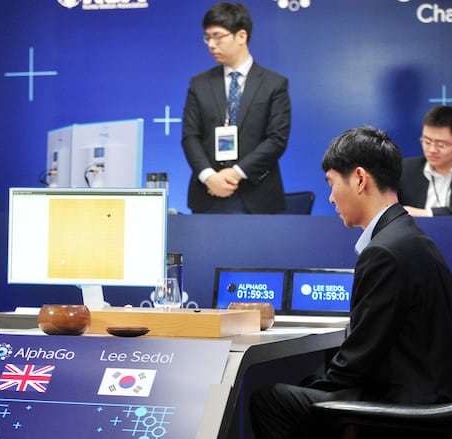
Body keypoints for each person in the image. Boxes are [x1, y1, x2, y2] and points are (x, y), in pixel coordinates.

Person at [249, 127, 452, 438]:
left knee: (271, 400)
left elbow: (356, 362)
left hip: (406, 412)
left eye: (332, 184)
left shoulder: (385, 252)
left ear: (359, 179)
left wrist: (314, 387)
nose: (331, 197)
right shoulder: (408, 238)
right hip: (426, 400)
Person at [181, 2, 291, 214]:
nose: (211, 44)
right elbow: (190, 136)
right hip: (208, 193)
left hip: (257, 194)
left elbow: (277, 139)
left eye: (218, 36)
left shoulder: (274, 84)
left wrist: (236, 173)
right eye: (207, 37)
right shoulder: (199, 84)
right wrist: (209, 176)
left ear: (241, 36)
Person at [399, 105, 452, 216]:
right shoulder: (404, 170)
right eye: (427, 141)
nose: (432, 150)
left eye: (441, 145)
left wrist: (425, 214)